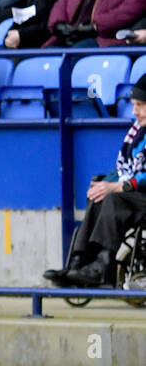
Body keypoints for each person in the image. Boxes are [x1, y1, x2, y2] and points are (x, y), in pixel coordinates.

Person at [45, 80, 146, 288]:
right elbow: (125, 170)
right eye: (134, 104)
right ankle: (79, 262)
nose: (134, 111)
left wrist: (119, 187)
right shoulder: (138, 133)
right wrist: (106, 182)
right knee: (100, 194)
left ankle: (102, 266)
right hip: (137, 194)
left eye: (141, 105)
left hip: (139, 195)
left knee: (114, 200)